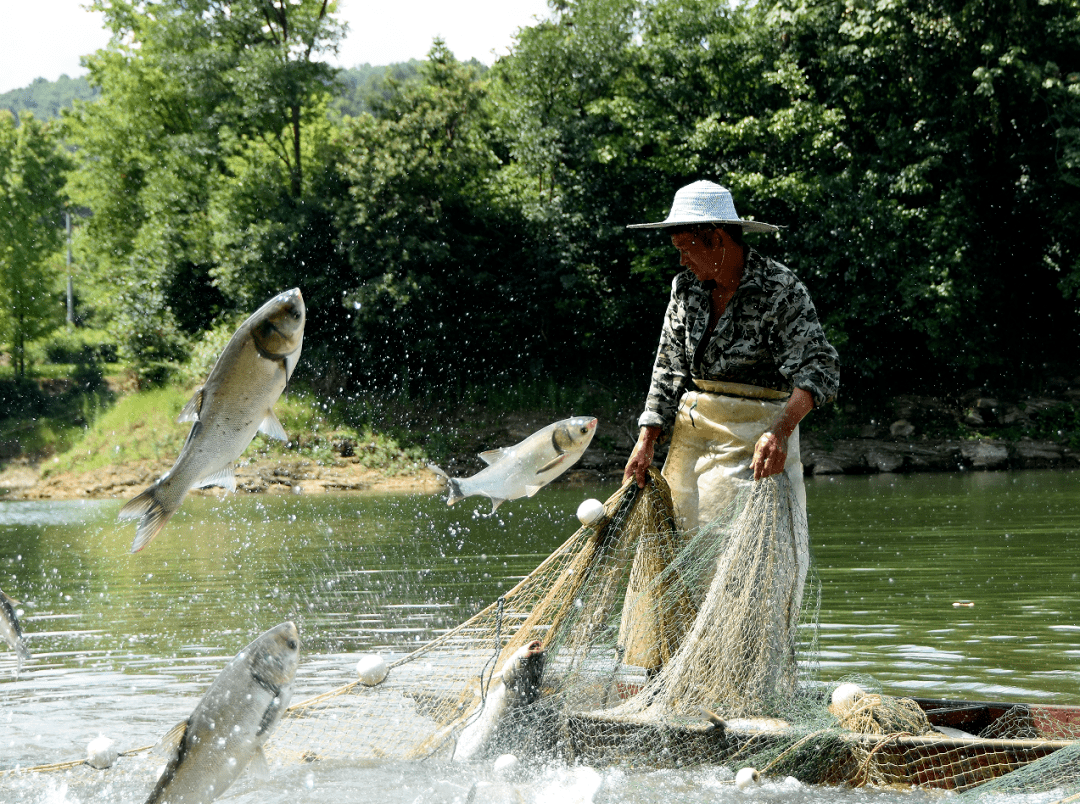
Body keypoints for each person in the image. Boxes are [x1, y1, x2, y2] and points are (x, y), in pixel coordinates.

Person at [623, 179, 839, 538]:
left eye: (686, 249)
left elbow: (818, 369)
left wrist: (780, 432)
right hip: (696, 440)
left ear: (718, 240)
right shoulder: (685, 288)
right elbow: (668, 369)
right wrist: (645, 442)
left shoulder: (778, 289)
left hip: (759, 441)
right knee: (682, 547)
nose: (681, 260)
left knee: (752, 557)